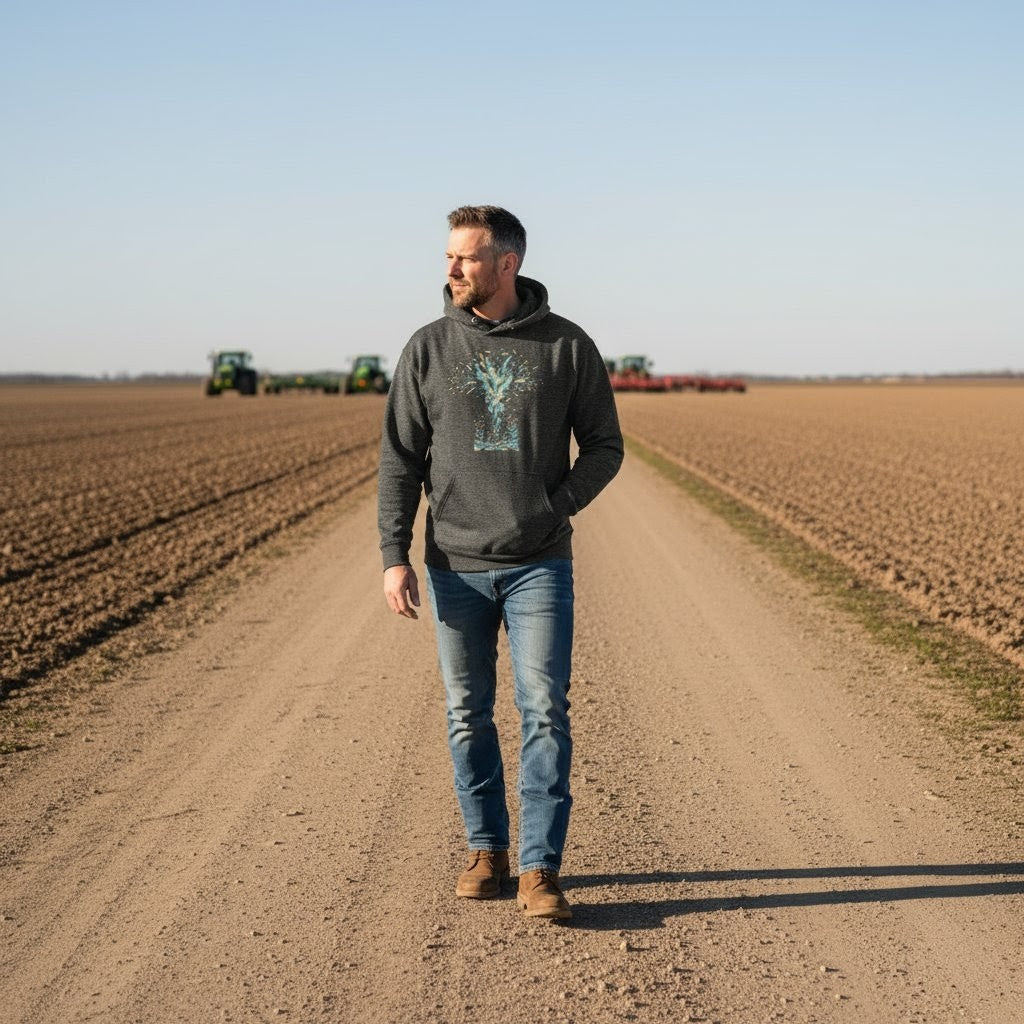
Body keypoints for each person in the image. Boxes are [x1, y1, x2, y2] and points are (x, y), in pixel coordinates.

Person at [378, 205, 623, 920]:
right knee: (467, 714)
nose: (450, 269)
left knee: (544, 711)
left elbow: (605, 446)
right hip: (454, 565)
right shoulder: (427, 348)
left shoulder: (566, 347)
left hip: (538, 564)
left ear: (506, 264)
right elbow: (398, 459)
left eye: (466, 257)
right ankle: (487, 850)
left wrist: (555, 507)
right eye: (448, 257)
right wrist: (394, 555)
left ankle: (541, 870)